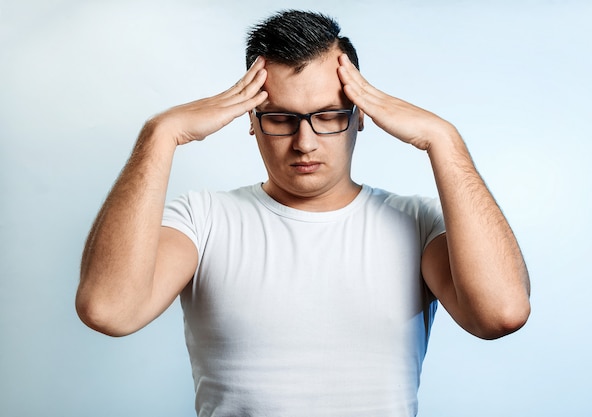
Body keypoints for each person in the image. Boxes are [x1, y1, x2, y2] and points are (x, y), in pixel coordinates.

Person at [76, 9, 530, 417]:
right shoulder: (203, 219)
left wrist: (443, 139)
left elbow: (501, 315)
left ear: (360, 116)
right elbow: (110, 311)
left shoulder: (418, 223)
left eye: (329, 115)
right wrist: (160, 134)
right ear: (250, 121)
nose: (305, 142)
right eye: (280, 118)